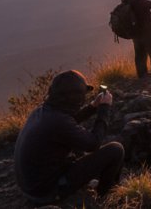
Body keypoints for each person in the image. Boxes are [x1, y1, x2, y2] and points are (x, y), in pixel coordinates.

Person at [14, 70, 124, 205]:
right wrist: (104, 109)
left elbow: (68, 123)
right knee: (115, 150)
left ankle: (85, 185)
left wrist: (92, 107)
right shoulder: (58, 122)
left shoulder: (43, 112)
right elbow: (94, 143)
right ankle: (104, 195)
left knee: (77, 146)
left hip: (32, 187)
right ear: (75, 98)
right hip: (47, 193)